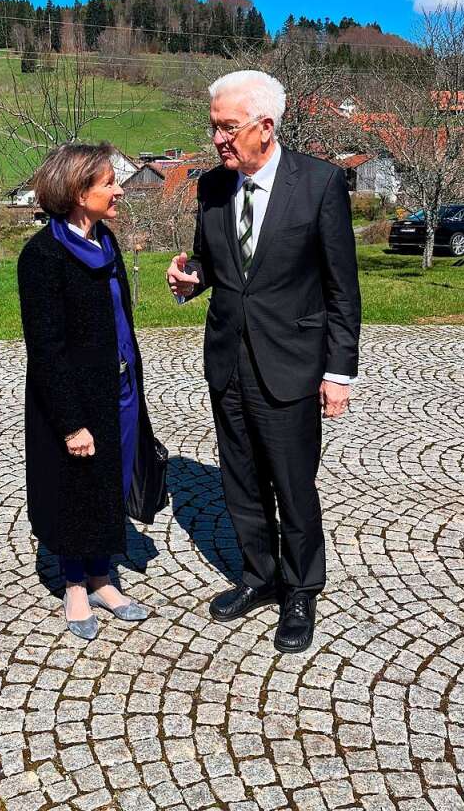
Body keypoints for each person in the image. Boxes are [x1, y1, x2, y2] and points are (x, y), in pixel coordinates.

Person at [166, 70, 361, 654]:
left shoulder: (320, 184)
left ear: (265, 127)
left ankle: (301, 591)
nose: (217, 139)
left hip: (293, 364)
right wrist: (190, 278)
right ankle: (259, 576)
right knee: (241, 481)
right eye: (215, 127)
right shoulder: (211, 188)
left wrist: (337, 371)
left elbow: (341, 289)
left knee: (294, 486)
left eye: (227, 128)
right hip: (229, 360)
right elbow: (215, 264)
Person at [17, 142, 161, 641]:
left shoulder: (106, 242)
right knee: (75, 486)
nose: (119, 189)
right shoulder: (43, 256)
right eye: (108, 183)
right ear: (79, 192)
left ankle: (103, 578)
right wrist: (70, 422)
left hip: (117, 386)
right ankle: (75, 585)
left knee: (109, 480)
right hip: (73, 399)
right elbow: (46, 349)